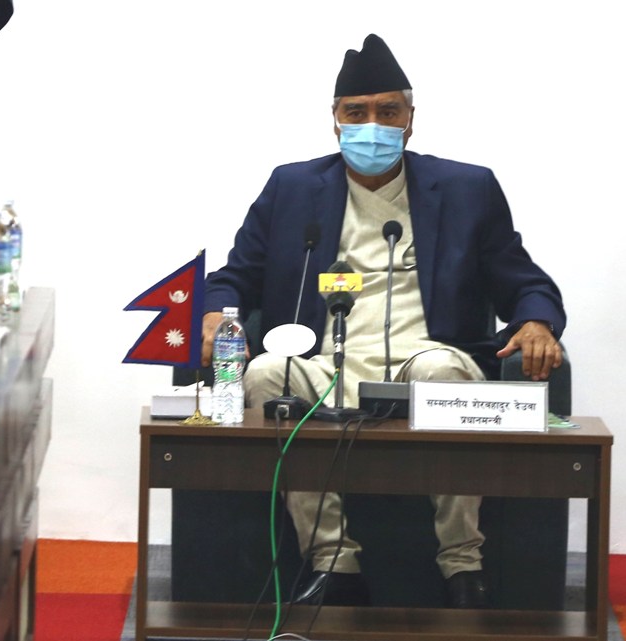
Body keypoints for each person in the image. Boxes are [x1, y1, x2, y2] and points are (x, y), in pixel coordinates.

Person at [202, 34, 566, 609]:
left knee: (443, 372)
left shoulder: (467, 189)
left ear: (410, 121)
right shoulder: (292, 187)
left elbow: (525, 282)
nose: (372, 125)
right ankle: (332, 562)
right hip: (325, 363)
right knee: (269, 373)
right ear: (335, 122)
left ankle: (462, 564)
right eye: (357, 113)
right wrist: (213, 315)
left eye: (387, 112)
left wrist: (537, 322)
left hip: (424, 361)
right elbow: (234, 277)